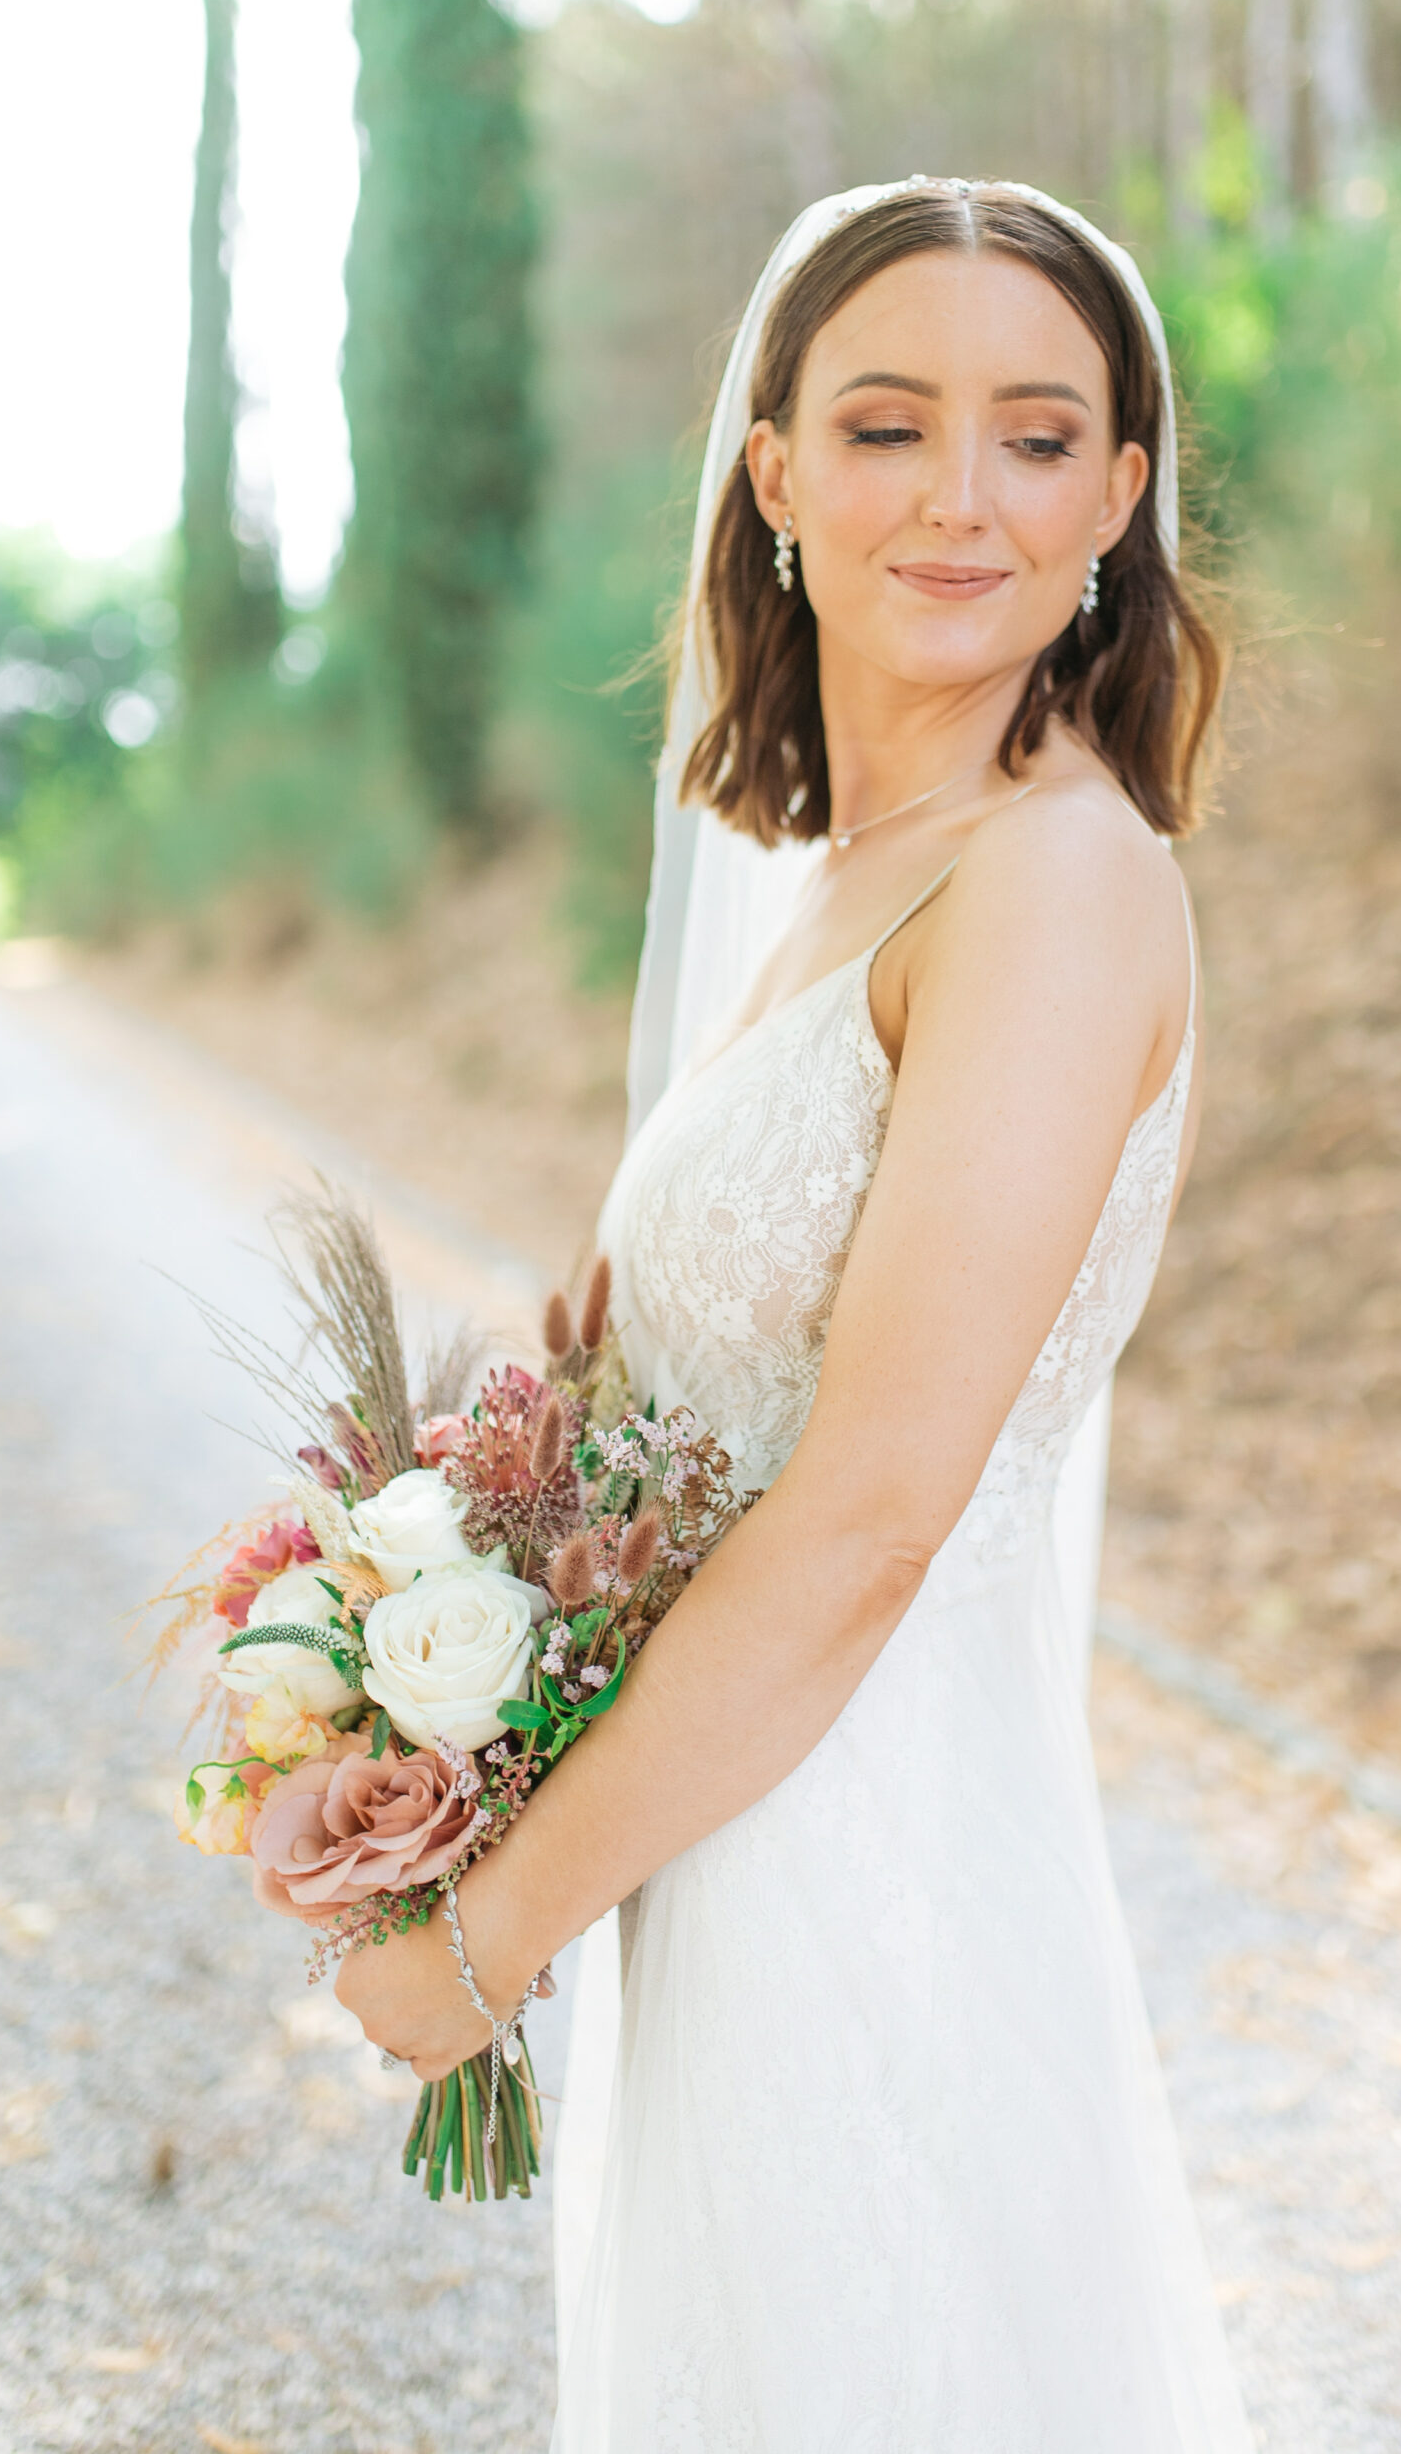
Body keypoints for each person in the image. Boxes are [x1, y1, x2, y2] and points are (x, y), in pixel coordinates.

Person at [339, 179, 1255, 2453]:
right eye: (884, 424)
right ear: (769, 476)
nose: (962, 495)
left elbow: (863, 1514)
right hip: (728, 1840)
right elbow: (685, 1416)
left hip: (884, 1868)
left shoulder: (1057, 883)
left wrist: (485, 1931)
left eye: (1039, 437)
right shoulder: (846, 880)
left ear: (1118, 502)